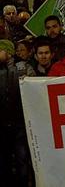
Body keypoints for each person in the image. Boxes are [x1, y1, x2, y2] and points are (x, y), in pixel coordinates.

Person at [0, 39, 33, 186]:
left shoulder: (25, 68)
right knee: (4, 160)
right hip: (2, 123)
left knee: (22, 159)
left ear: (7, 52)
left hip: (20, 124)